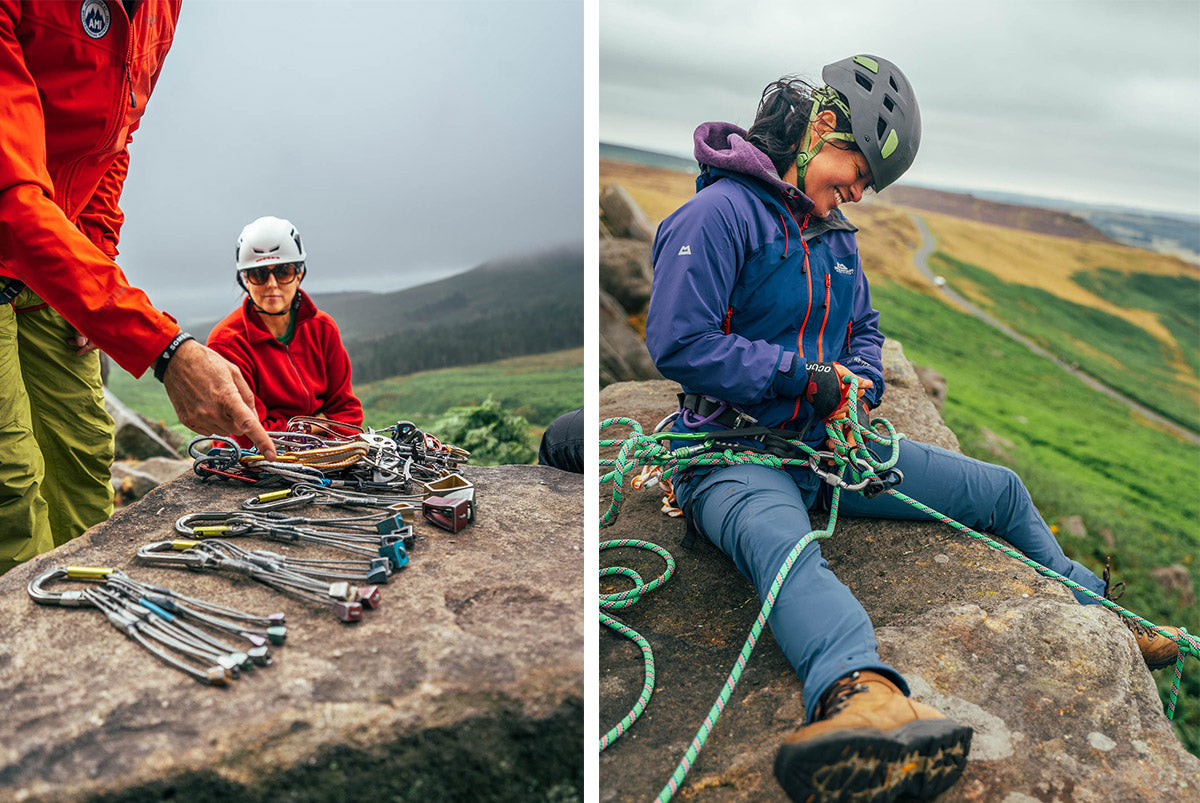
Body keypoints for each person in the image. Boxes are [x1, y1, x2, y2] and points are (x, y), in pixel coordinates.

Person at [644, 55, 1182, 802]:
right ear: (822, 129)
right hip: (728, 452)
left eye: (867, 184)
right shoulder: (718, 216)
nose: (859, 192)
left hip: (824, 446)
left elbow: (863, 326)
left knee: (998, 490)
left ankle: (1105, 611)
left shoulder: (832, 232)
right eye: (858, 169)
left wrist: (857, 388)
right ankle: (861, 699)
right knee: (784, 544)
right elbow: (680, 341)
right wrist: (805, 380)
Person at [0, 1, 274, 573]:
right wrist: (165, 350)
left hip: (56, 255)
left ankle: (91, 610)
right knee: (8, 484)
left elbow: (112, 141)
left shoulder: (159, 7)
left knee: (81, 458)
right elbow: (10, 198)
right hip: (18, 222)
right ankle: (28, 655)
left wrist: (92, 265)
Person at [207, 216, 363, 443]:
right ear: (245, 280)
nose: (271, 283)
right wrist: (320, 428)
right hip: (252, 465)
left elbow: (349, 415)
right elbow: (247, 434)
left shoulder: (322, 329)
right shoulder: (228, 344)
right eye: (258, 274)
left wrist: (304, 432)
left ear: (299, 274)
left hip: (316, 454)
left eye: (283, 271)